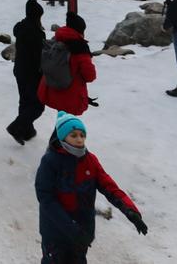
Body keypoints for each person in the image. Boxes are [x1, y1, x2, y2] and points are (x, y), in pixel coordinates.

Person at [36, 112, 147, 262]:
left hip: (82, 232)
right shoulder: (50, 161)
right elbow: (46, 199)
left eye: (82, 135)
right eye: (73, 135)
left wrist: (130, 210)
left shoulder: (90, 160)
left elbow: (109, 186)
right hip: (56, 233)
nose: (79, 139)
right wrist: (71, 229)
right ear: (62, 137)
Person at [38, 12, 96, 116]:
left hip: (52, 91)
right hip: (70, 96)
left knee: (62, 124)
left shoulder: (56, 40)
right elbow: (90, 76)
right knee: (67, 127)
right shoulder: (80, 49)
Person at [7, 0, 46, 145]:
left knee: (25, 101)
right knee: (37, 106)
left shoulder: (21, 28)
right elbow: (38, 57)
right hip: (32, 74)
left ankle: (27, 131)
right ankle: (16, 127)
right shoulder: (35, 33)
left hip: (20, 70)